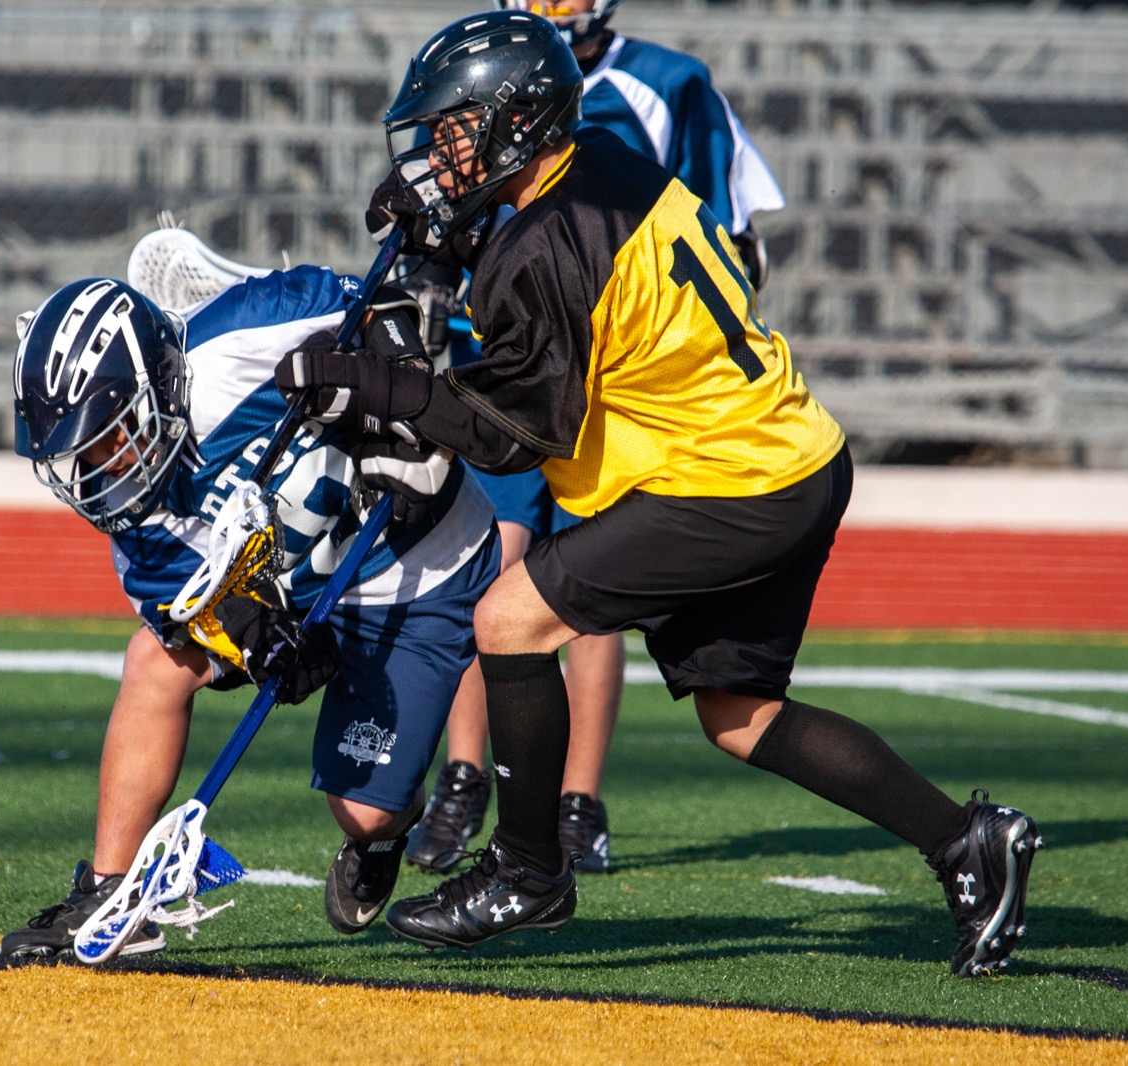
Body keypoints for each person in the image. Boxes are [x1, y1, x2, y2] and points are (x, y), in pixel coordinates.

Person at [274, 10, 1042, 977]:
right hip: (785, 455)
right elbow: (569, 267)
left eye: (458, 127)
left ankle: (528, 870)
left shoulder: (544, 244)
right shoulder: (597, 159)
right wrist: (454, 236)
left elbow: (514, 435)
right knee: (741, 715)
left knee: (509, 621)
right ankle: (967, 841)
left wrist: (380, 387)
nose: (440, 149)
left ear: (517, 123)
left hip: (726, 480)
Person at [0, 266, 498, 959]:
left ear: (154, 385)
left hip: (413, 565)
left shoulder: (240, 338)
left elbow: (381, 303)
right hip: (294, 583)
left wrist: (405, 410)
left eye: (109, 438)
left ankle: (384, 836)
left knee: (365, 811)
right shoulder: (136, 518)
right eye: (81, 453)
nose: (101, 469)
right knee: (154, 661)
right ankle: (109, 890)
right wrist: (260, 641)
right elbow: (195, 610)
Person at [406, 0, 789, 878]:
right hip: (499, 358)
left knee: (584, 590)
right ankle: (464, 778)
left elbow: (722, 228)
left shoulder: (668, 84)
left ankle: (576, 801)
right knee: (490, 570)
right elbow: (445, 199)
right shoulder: (480, 68)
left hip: (618, 381)